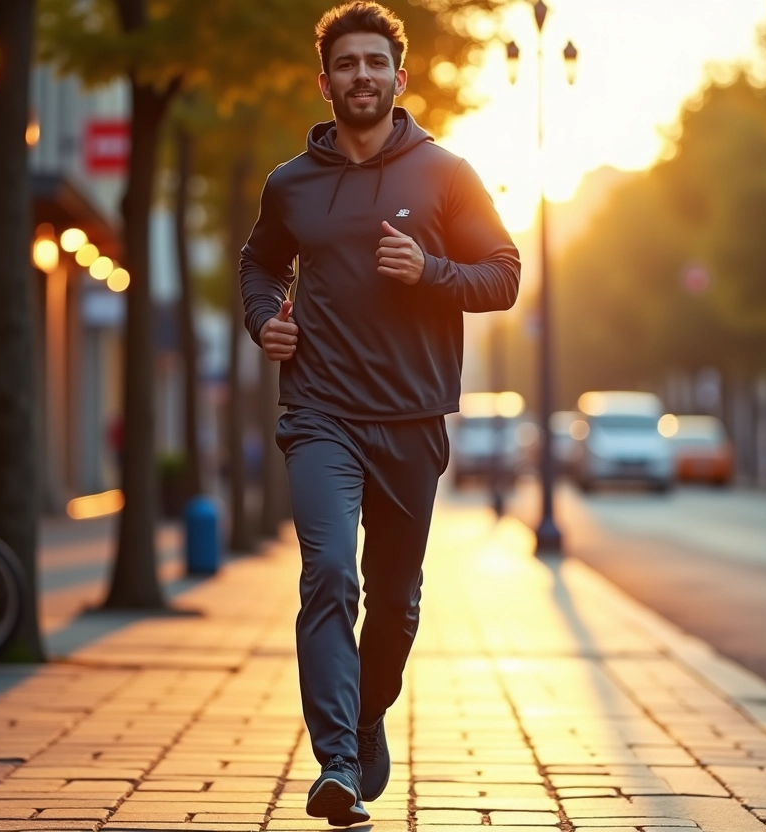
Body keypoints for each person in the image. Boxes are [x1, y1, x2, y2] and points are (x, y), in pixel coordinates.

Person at [239, 2, 521, 826]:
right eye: (346, 64)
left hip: (411, 417)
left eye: (375, 63)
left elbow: (503, 275)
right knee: (329, 575)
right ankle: (334, 762)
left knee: (394, 603)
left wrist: (431, 270)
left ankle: (365, 718)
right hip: (319, 411)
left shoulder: (445, 174)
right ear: (323, 81)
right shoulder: (289, 184)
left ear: (399, 79)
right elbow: (259, 265)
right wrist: (266, 321)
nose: (360, 76)